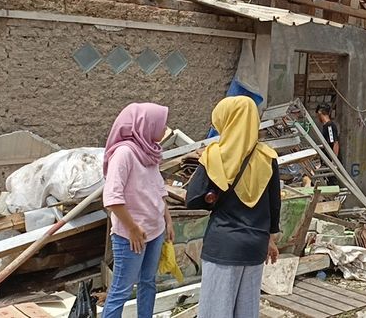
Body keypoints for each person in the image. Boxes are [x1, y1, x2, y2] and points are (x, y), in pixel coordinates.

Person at [187, 96, 281, 318]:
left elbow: (193, 199)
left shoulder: (214, 156)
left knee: (216, 311)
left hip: (223, 246)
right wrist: (270, 239)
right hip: (255, 246)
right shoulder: (268, 157)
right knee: (247, 311)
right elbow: (274, 204)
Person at [102, 103, 174, 318]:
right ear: (147, 124)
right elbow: (112, 198)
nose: (165, 128)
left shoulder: (149, 151)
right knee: (121, 291)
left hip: (155, 231)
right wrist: (132, 228)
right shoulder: (124, 154)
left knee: (148, 283)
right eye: (162, 123)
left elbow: (158, 190)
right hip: (131, 236)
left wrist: (168, 221)